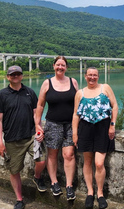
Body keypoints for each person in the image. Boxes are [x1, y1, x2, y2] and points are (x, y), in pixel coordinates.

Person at [0, 65, 46, 209]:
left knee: (41, 161)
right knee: (14, 170)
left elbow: (36, 113)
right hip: (12, 139)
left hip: (30, 136)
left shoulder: (29, 92)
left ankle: (37, 177)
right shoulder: (1, 95)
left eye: (18, 74)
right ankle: (19, 199)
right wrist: (0, 142)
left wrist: (38, 128)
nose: (15, 76)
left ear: (22, 76)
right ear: (8, 77)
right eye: (12, 74)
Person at [73, 67, 118, 209]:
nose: (92, 77)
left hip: (102, 128)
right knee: (87, 161)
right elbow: (76, 114)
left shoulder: (105, 88)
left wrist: (112, 124)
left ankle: (100, 193)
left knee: (99, 163)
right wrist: (75, 133)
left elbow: (115, 106)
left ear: (98, 76)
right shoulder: (80, 93)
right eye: (90, 75)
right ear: (85, 76)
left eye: (95, 75)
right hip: (85, 128)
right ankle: (90, 192)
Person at [34, 56, 79, 200]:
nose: (60, 67)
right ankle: (54, 182)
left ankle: (69, 185)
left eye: (63, 65)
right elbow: (40, 105)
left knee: (69, 154)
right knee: (52, 154)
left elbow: (79, 103)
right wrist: (38, 125)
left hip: (70, 125)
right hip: (53, 124)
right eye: (58, 65)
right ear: (53, 66)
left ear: (66, 67)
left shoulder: (73, 82)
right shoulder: (47, 83)